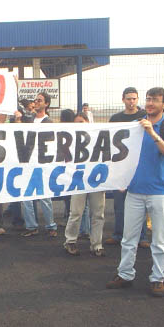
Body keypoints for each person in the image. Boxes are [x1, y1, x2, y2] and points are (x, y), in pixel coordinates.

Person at [106, 87, 164, 297]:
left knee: (159, 239)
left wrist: (152, 133)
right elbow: (123, 155)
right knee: (128, 238)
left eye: (154, 100)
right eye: (148, 99)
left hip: (160, 191)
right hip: (135, 190)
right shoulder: (135, 126)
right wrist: (121, 178)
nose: (150, 103)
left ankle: (157, 278)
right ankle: (125, 274)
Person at [105, 87, 150, 248]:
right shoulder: (116, 118)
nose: (131, 101)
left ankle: (142, 237)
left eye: (134, 98)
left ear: (137, 99)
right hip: (121, 167)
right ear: (123, 99)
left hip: (139, 167)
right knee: (119, 204)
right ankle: (118, 234)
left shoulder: (144, 117)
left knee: (140, 203)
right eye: (129, 98)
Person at [63, 112, 105, 256]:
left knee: (98, 213)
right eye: (76, 123)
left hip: (96, 180)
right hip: (78, 180)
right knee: (76, 212)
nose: (79, 125)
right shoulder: (70, 140)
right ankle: (70, 241)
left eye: (81, 122)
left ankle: (97, 244)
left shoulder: (97, 137)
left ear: (88, 122)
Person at [20, 93, 57, 238]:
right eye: (35, 100)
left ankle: (51, 225)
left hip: (42, 163)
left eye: (39, 100)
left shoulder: (49, 122)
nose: (36, 102)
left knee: (44, 197)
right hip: (28, 162)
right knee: (26, 196)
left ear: (46, 104)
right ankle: (31, 226)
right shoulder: (29, 120)